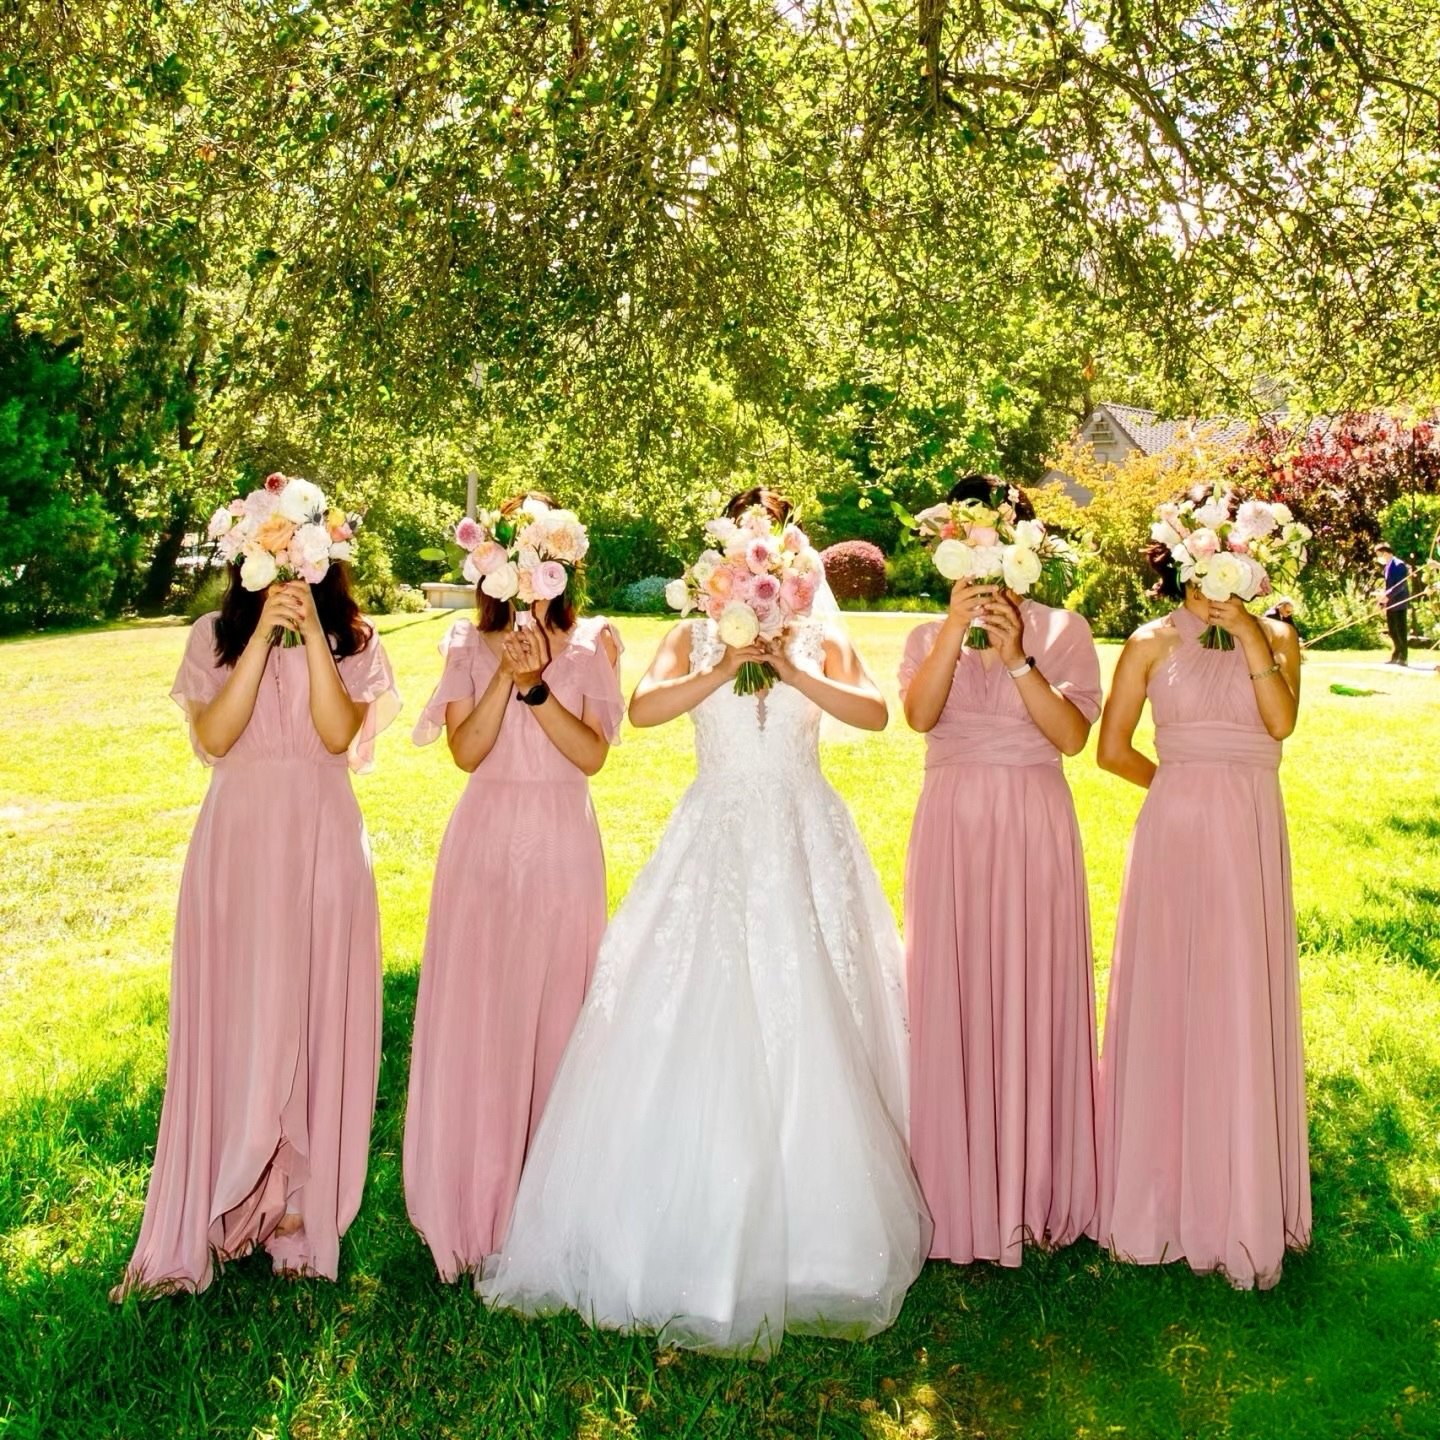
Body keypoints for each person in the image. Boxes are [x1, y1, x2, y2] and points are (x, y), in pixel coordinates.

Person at [479, 487, 931, 1355]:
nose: (763, 562)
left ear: (794, 562)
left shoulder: (818, 632)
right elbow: (647, 712)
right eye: (747, 544)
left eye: (777, 545)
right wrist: (725, 660)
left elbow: (874, 715)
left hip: (803, 827)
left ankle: (824, 1243)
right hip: (716, 828)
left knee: (814, 1008)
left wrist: (792, 665)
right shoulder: (688, 632)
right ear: (721, 560)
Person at [112, 559, 400, 1298]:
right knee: (234, 1019)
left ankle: (301, 1210)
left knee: (311, 1020)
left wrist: (309, 640)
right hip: (237, 849)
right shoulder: (214, 635)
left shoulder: (353, 641)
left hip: (322, 845)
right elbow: (214, 736)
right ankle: (217, 1197)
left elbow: (336, 736)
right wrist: (260, 640)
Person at [404, 492, 622, 1281]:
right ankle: (471, 1195)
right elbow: (465, 751)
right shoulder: (467, 640)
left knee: (556, 1006)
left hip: (562, 842)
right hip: (486, 843)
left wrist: (539, 686)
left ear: (561, 564)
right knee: (481, 1010)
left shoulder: (594, 642)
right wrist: (505, 673)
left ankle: (550, 1199)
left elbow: (590, 757)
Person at [1094, 535, 1309, 1289]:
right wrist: (1181, 786)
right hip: (1178, 832)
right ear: (1181, 564)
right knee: (1172, 997)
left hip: (1250, 828)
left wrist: (1251, 632)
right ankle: (1158, 1197)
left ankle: (1243, 1199)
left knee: (1241, 993)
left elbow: (1279, 724)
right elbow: (1112, 751)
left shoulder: (1279, 636)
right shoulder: (1149, 642)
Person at [901, 475, 1102, 1267]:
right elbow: (918, 717)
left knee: (1033, 983)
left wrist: (1019, 659)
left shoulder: (1064, 630)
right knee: (950, 987)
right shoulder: (926, 635)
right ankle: (953, 1195)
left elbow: (1073, 737)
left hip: (1033, 825)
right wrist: (955, 633)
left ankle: (1034, 1186)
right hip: (951, 827)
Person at [1376, 543, 1410, 665]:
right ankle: (1395, 654)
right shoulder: (1387, 567)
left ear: (1385, 553)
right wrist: (1381, 599)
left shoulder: (1399, 565)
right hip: (1390, 603)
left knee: (1400, 630)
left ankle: (1403, 657)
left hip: (1399, 602)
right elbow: (1388, 586)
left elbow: (1400, 585)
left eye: (1379, 555)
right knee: (1392, 630)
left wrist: (1388, 596)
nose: (1378, 558)